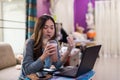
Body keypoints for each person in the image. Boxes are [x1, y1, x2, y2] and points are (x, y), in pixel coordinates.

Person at [19, 15, 74, 80]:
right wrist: (44, 55)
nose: (49, 31)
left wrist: (68, 50)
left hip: (42, 77)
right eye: (45, 27)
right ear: (39, 29)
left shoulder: (53, 42)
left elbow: (57, 65)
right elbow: (27, 71)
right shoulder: (29, 43)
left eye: (52, 28)